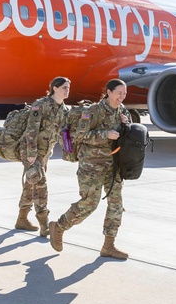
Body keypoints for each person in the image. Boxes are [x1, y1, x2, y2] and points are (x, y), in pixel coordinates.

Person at [49, 78, 131, 260]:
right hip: (91, 165)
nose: (122, 97)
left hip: (113, 164)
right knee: (89, 203)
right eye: (119, 93)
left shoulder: (123, 111)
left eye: (124, 94)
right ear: (108, 92)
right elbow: (79, 135)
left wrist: (126, 126)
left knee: (116, 204)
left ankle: (109, 245)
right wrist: (105, 135)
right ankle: (59, 226)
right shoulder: (93, 111)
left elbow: (126, 135)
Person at [16, 77, 70, 236]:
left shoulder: (64, 110)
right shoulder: (41, 105)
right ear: (55, 88)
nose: (67, 90)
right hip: (31, 152)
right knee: (41, 186)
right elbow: (31, 130)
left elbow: (63, 133)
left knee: (31, 184)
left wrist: (69, 151)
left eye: (68, 87)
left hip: (45, 154)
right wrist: (31, 154)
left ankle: (21, 219)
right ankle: (44, 224)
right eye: (64, 87)